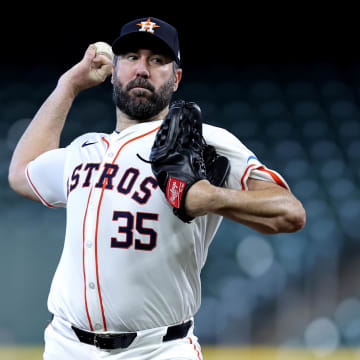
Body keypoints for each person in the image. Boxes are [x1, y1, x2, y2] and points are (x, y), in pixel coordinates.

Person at [8, 17, 306, 360]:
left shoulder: (202, 141)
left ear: (176, 77)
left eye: (158, 60)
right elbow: (21, 173)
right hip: (66, 345)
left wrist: (211, 197)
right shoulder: (83, 149)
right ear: (115, 69)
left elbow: (290, 212)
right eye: (131, 57)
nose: (142, 69)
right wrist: (68, 85)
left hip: (158, 349)